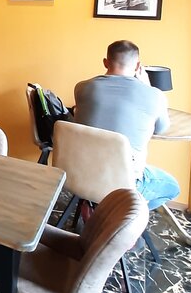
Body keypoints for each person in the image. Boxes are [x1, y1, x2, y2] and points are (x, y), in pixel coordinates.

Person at [74, 39, 177, 210]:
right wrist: (148, 86)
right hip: (125, 181)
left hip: (81, 171)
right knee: (173, 187)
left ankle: (98, 207)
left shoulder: (82, 87)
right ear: (138, 66)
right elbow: (161, 128)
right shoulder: (154, 95)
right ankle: (119, 213)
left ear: (105, 62)